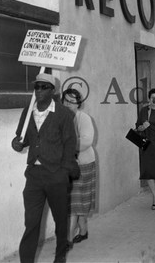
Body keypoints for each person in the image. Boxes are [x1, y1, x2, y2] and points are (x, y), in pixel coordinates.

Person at [11, 73, 79, 263]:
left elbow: (70, 145)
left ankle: (59, 258)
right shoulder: (28, 112)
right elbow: (21, 139)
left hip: (56, 175)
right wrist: (16, 143)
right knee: (31, 223)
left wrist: (63, 172)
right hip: (34, 176)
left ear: (52, 91)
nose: (39, 91)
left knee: (60, 222)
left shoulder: (64, 114)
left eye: (43, 87)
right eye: (36, 87)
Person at [61, 88, 96, 251]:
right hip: (64, 166)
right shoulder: (57, 118)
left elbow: (87, 140)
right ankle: (83, 230)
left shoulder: (84, 118)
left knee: (74, 204)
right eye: (66, 100)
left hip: (82, 164)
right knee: (75, 202)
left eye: (72, 101)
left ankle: (66, 241)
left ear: (78, 104)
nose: (68, 104)